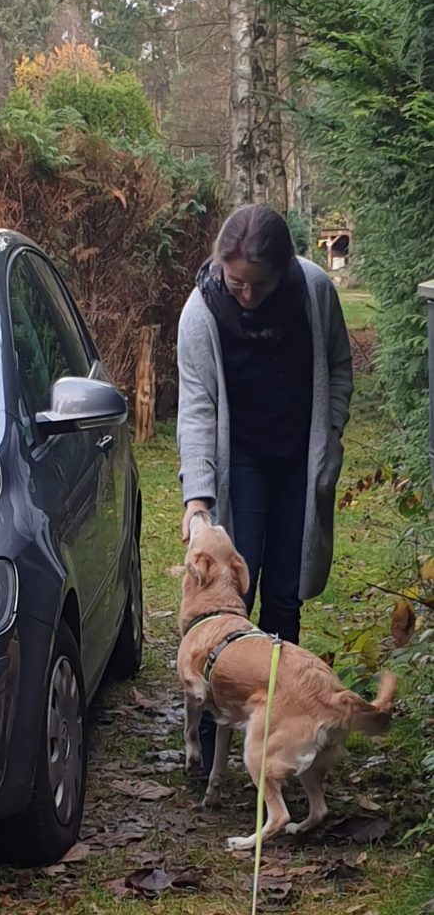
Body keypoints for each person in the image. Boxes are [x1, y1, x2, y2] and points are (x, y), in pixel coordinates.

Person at [176, 204, 353, 774]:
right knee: (232, 601)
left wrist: (330, 432)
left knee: (284, 592)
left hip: (301, 457)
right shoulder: (201, 312)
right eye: (236, 282)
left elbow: (340, 365)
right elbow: (198, 408)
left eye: (259, 284)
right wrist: (199, 496)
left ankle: (281, 727)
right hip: (241, 461)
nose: (246, 295)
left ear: (283, 271)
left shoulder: (314, 292)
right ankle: (208, 738)